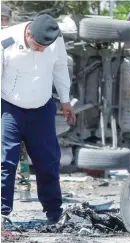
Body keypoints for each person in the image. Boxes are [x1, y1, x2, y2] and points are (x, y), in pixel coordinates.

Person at [1, 14, 76, 225]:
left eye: (46, 46)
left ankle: (53, 211)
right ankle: (2, 212)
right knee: (5, 161)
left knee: (48, 161)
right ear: (28, 33)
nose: (42, 50)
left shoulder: (55, 38)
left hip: (42, 108)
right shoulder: (6, 40)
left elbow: (60, 67)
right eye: (38, 45)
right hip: (9, 108)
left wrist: (65, 100)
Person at [1, 3, 33, 203]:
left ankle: (24, 187)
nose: (2, 22)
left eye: (4, 18)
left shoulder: (15, 40)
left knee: (18, 148)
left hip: (13, 100)